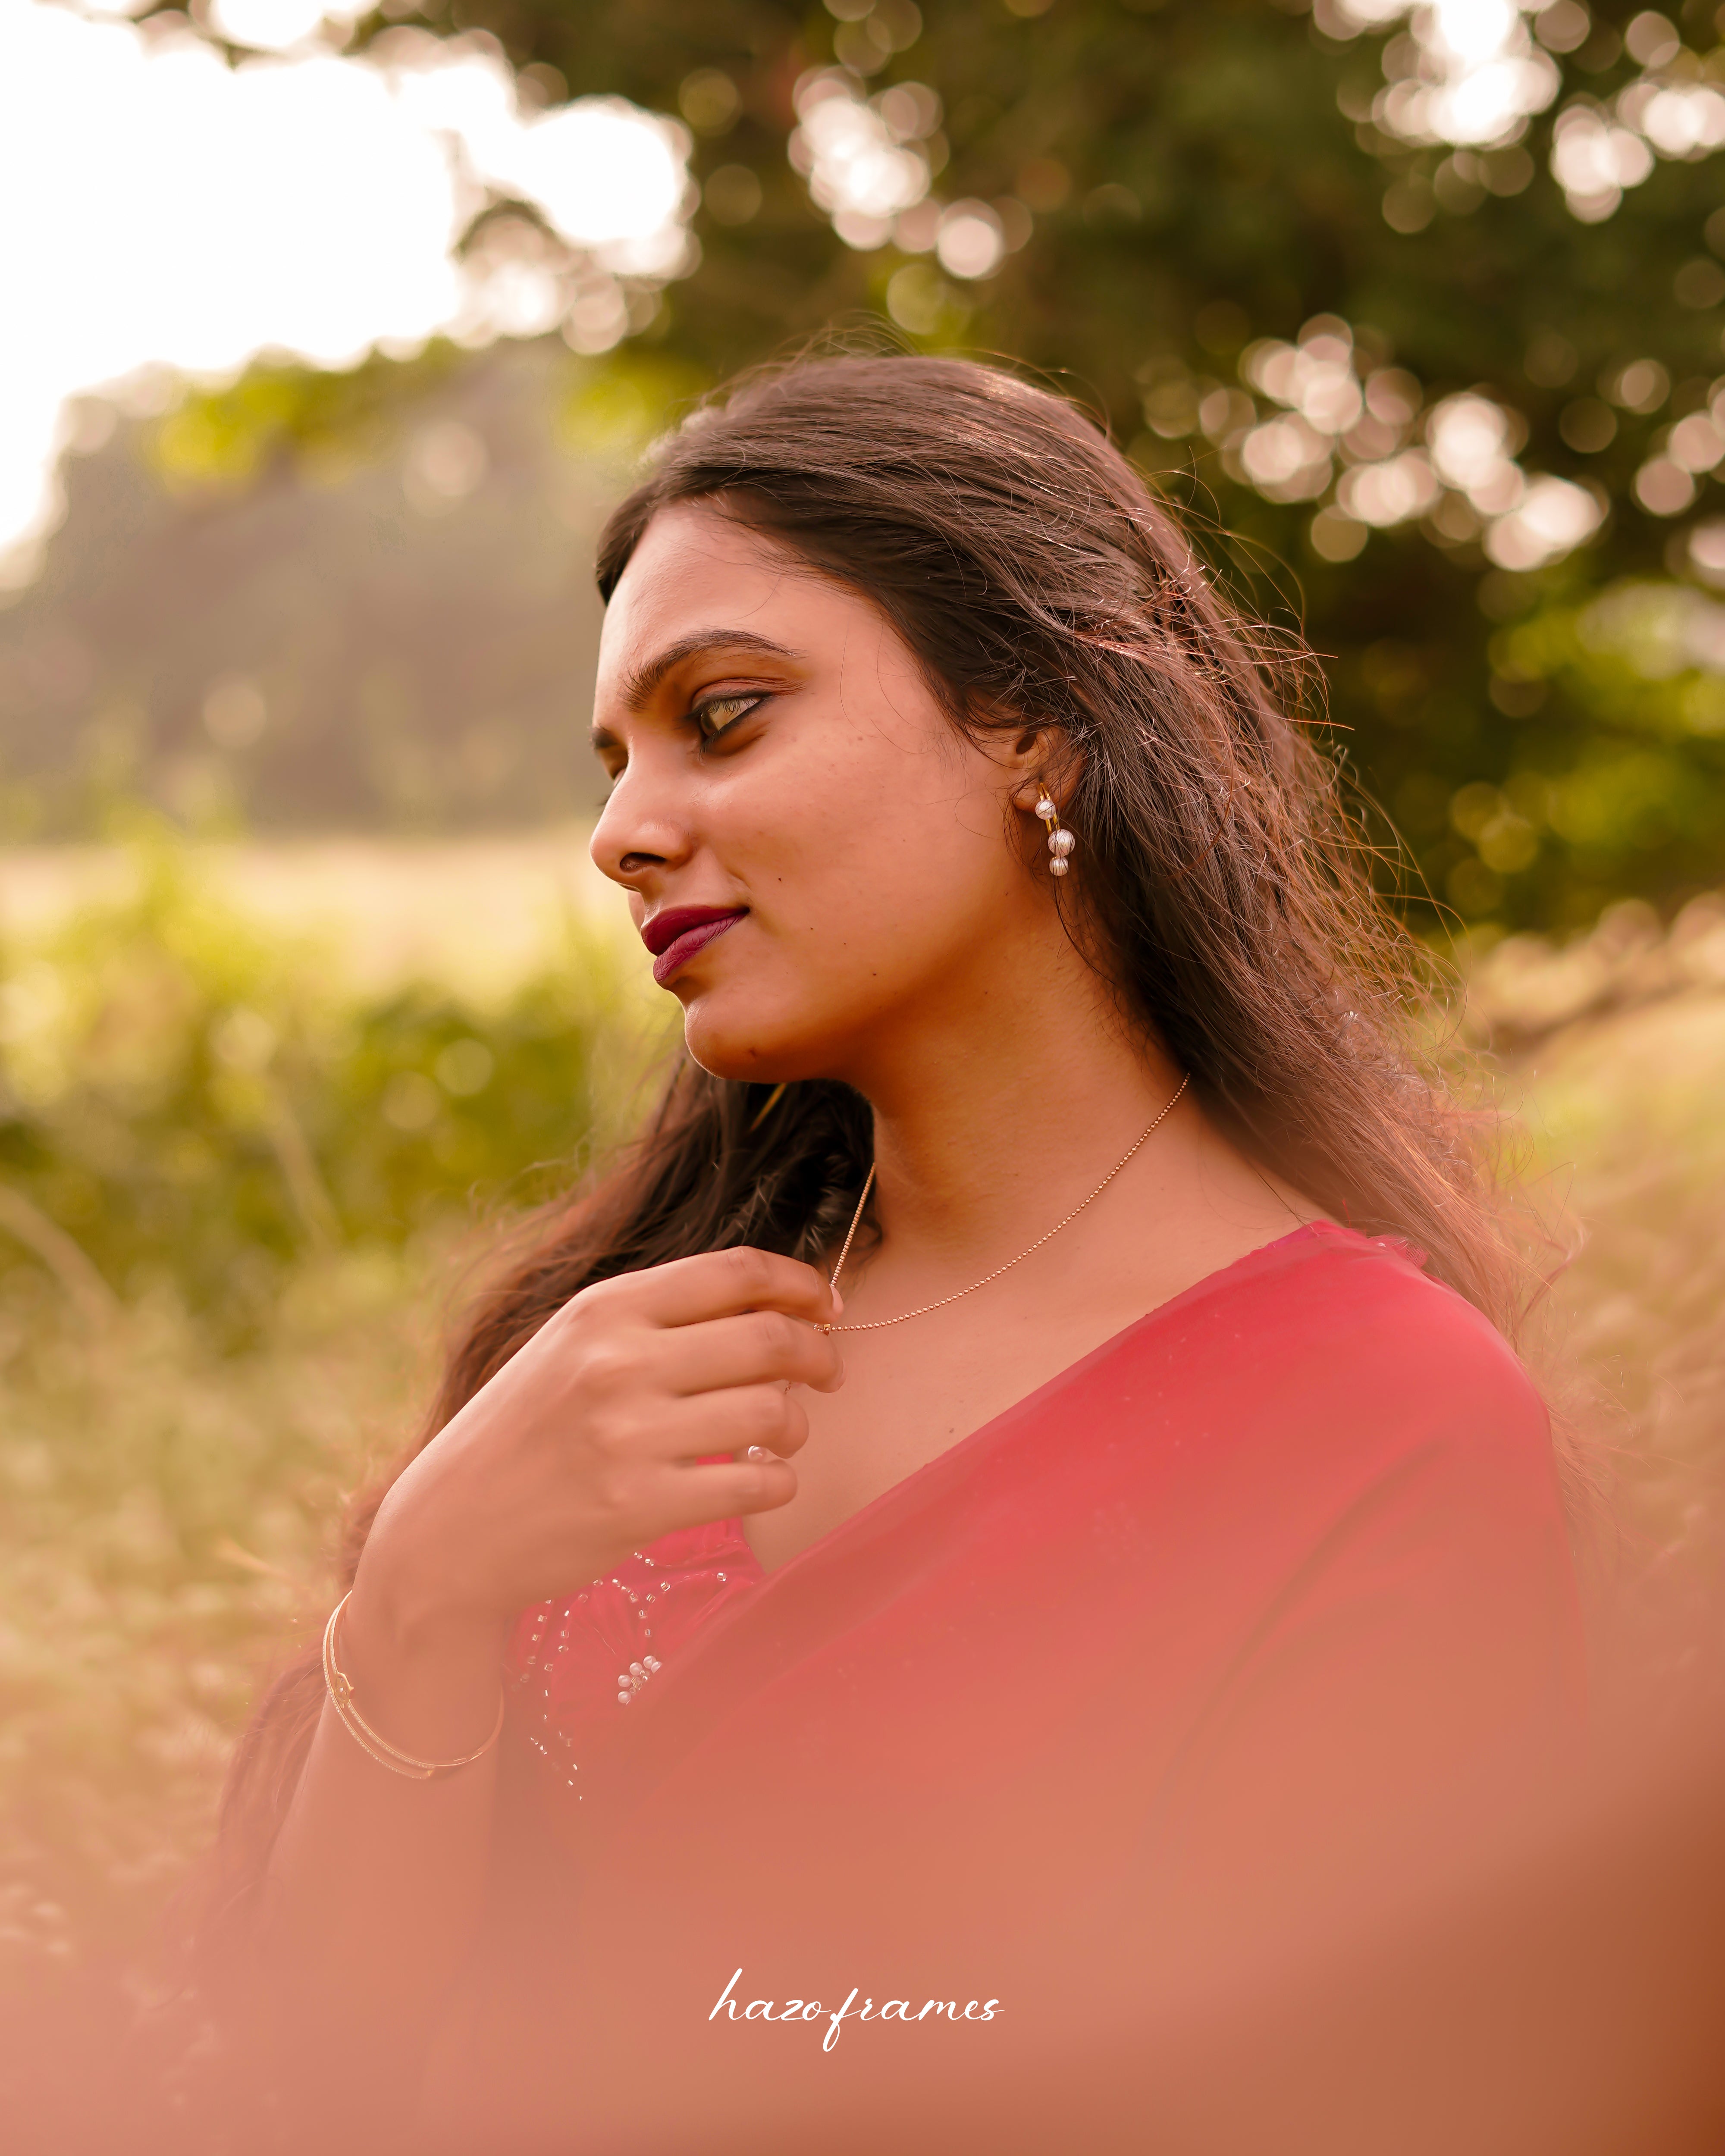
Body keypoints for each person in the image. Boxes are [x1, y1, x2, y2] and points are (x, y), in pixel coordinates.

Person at [203, 352, 1584, 2153]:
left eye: (726, 714)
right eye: (614, 760)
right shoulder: (635, 1344)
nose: (622, 831)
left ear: (1031, 715)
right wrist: (425, 1584)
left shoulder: (1376, 1417)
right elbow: (314, 2077)